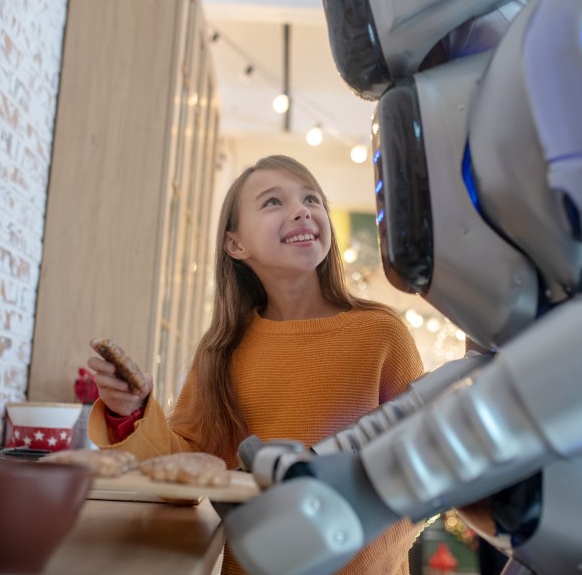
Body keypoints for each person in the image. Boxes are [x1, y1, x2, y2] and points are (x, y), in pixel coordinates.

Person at [85, 154, 426, 575]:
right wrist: (130, 413)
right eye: (273, 202)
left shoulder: (381, 334)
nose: (302, 210)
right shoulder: (221, 352)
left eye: (311, 199)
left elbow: (426, 464)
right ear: (236, 244)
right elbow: (185, 470)